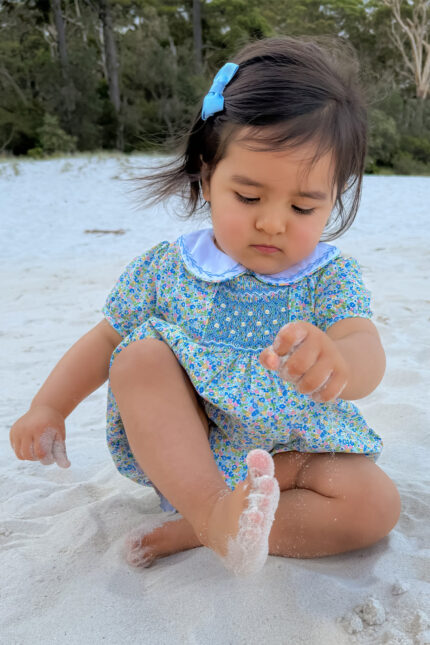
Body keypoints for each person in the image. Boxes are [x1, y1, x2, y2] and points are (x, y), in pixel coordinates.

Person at [10, 36, 401, 576]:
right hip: (196, 461)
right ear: (206, 174)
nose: (273, 222)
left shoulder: (327, 277)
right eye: (248, 197)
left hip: (296, 458)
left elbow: (364, 345)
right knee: (139, 355)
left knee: (376, 506)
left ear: (335, 196)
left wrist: (339, 361)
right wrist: (47, 407)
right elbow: (102, 340)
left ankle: (200, 530)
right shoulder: (167, 269)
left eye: (304, 205)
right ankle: (210, 511)